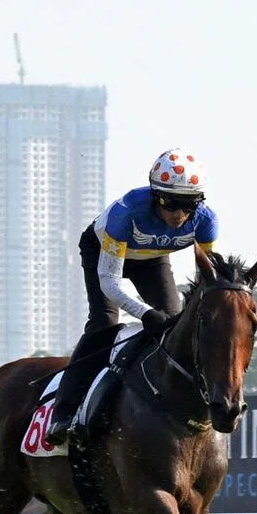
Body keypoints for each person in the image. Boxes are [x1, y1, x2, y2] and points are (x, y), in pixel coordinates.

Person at [45, 148, 218, 446]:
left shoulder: (206, 221)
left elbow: (206, 281)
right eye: (171, 203)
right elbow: (109, 282)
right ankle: (64, 411)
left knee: (175, 325)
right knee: (104, 323)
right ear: (155, 196)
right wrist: (145, 314)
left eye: (188, 205)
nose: (179, 215)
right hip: (104, 252)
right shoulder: (126, 214)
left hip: (152, 259)